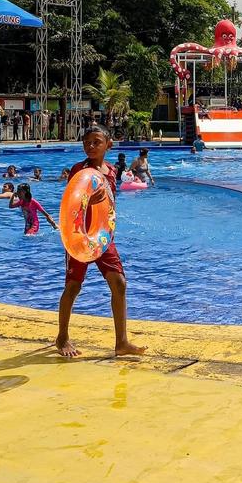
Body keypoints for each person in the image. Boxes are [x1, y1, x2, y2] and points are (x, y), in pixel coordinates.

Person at [55, 124, 144, 359]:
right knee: (73, 286)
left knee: (120, 283)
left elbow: (109, 205)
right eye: (87, 142)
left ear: (109, 145)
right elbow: (72, 203)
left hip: (103, 238)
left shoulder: (112, 171)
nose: (91, 146)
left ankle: (121, 342)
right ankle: (62, 336)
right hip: (80, 237)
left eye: (96, 142)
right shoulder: (79, 170)